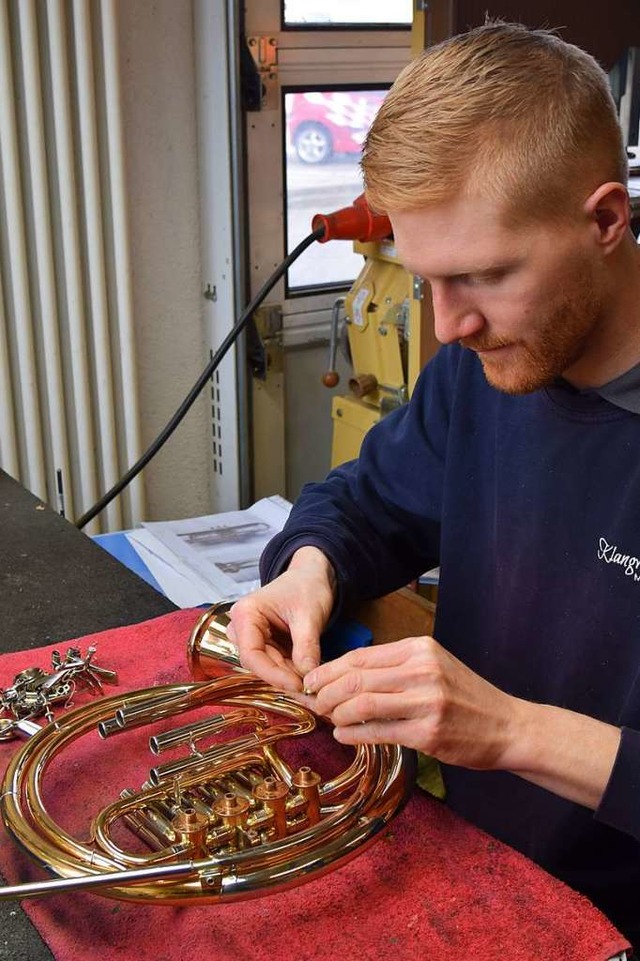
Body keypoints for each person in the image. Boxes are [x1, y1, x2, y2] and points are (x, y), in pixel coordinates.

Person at [229, 21, 640, 948]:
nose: (448, 324)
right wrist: (308, 568)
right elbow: (369, 501)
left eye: (485, 275)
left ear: (607, 220)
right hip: (469, 855)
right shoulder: (488, 360)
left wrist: (507, 731)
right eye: (427, 280)